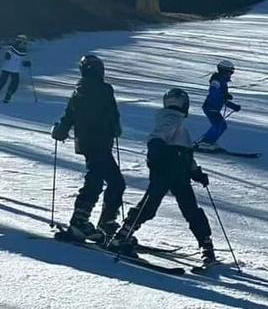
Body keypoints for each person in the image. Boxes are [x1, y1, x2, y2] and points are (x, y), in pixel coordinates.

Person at [110, 88, 216, 266]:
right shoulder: (171, 119)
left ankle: (124, 234)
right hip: (167, 171)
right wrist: (156, 148)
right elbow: (157, 137)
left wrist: (196, 173)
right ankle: (206, 245)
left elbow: (186, 153)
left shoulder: (178, 123)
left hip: (177, 173)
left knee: (176, 207)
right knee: (160, 206)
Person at [51, 55, 124, 241]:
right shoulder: (105, 89)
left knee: (103, 180)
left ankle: (92, 221)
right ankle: (90, 222)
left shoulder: (79, 89)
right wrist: (115, 128)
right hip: (100, 141)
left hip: (86, 142)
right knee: (105, 181)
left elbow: (69, 114)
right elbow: (112, 114)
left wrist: (61, 130)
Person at [196, 60, 241, 151]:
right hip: (210, 107)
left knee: (220, 125)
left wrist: (233, 106)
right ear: (224, 71)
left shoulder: (223, 82)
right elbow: (214, 93)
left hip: (214, 108)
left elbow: (223, 100)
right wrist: (223, 95)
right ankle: (205, 142)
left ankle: (208, 141)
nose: (231, 74)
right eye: (230, 72)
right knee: (219, 125)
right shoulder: (216, 81)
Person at [1, 35, 31, 103]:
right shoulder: (12, 48)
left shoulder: (24, 50)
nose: (24, 44)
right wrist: (7, 55)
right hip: (8, 68)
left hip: (15, 69)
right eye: (23, 42)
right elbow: (8, 52)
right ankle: (8, 95)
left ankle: (8, 95)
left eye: (25, 42)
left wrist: (26, 63)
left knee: (14, 83)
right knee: (3, 82)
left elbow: (23, 59)